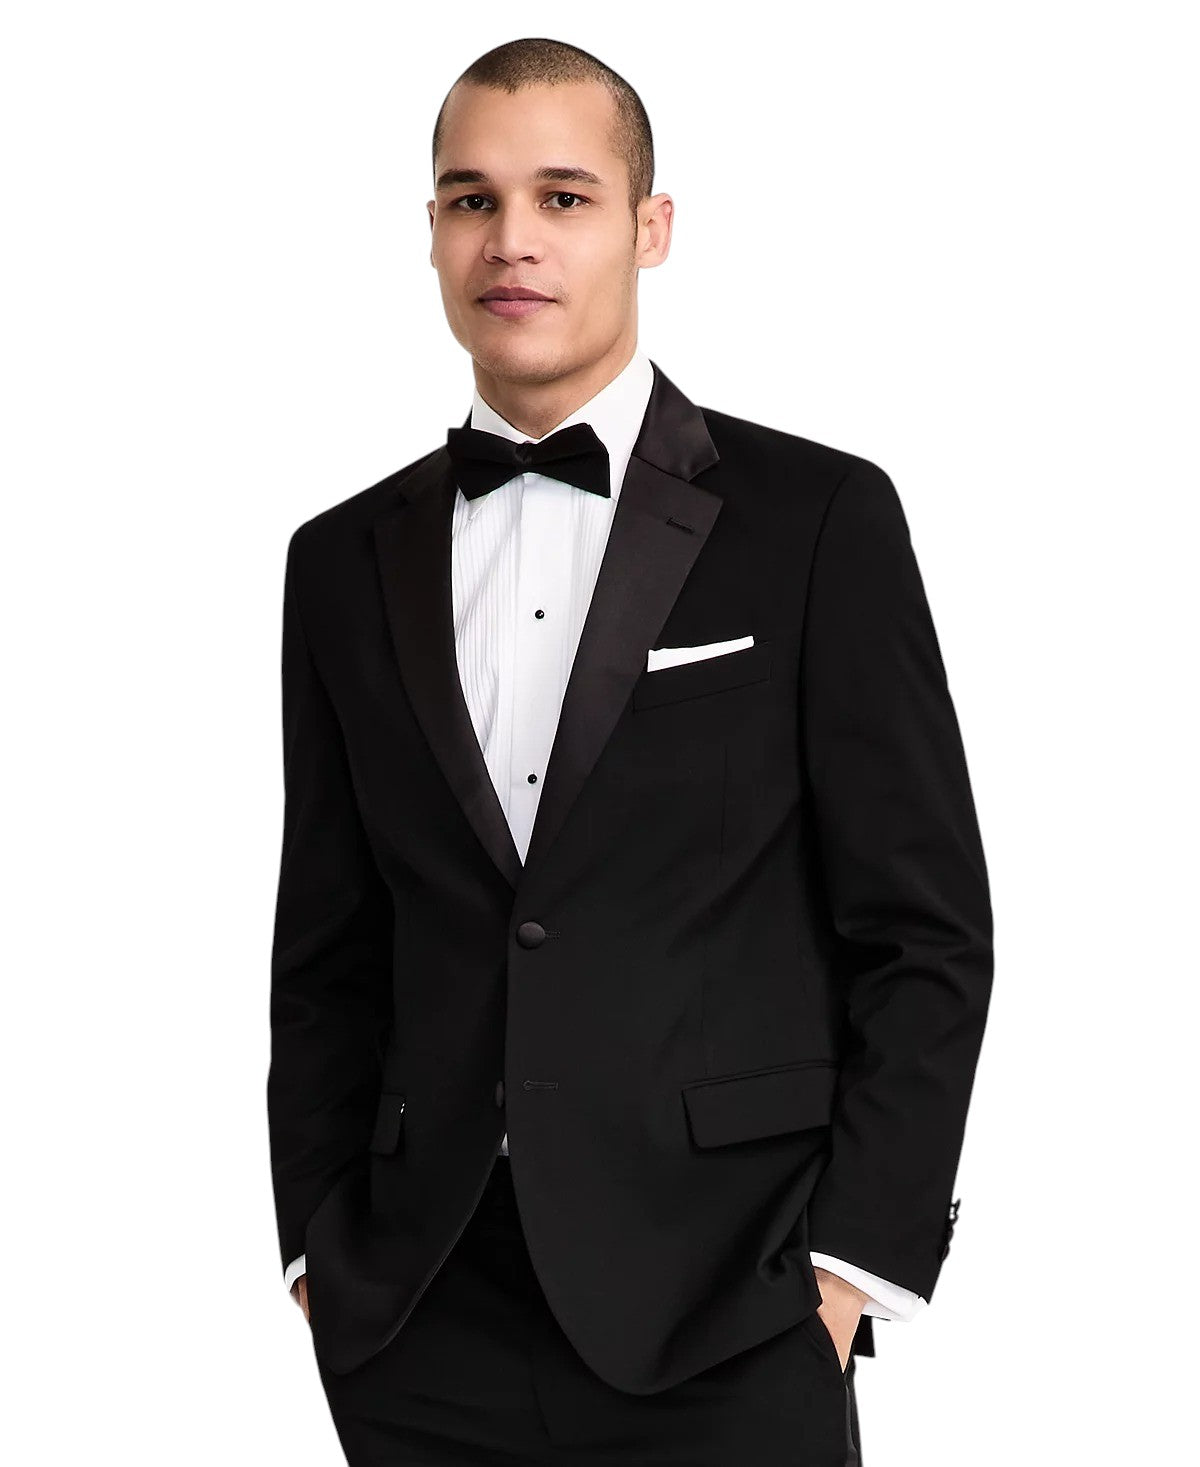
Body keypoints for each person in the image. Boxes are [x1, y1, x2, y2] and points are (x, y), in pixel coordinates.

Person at [267, 35, 993, 1466]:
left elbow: (924, 927)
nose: (512, 240)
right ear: (431, 232)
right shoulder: (339, 559)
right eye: (471, 200)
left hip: (729, 1302)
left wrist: (852, 1265)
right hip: (421, 1314)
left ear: (650, 227)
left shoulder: (817, 520)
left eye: (564, 197)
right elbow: (328, 941)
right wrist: (316, 1249)